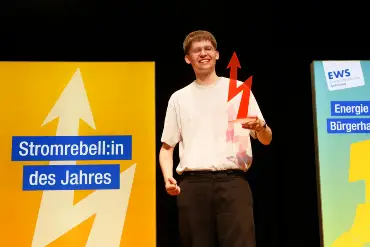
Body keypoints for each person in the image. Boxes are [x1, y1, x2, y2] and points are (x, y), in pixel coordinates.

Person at [159, 30, 272, 247]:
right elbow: (166, 148)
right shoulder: (179, 98)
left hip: (233, 183)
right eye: (197, 50)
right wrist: (167, 178)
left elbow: (266, 139)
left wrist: (262, 127)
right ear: (187, 58)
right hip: (193, 185)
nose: (203, 53)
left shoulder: (239, 90)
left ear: (217, 55)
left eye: (208, 49)